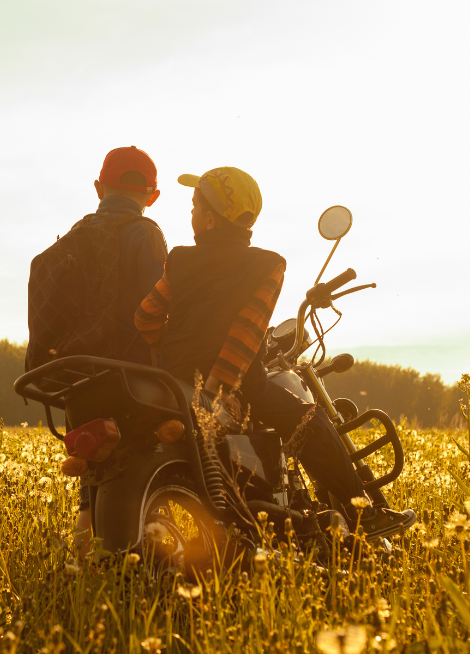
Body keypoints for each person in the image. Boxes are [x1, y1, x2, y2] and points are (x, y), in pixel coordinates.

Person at [134, 166, 416, 539]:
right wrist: (217, 387)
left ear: (211, 218)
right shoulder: (268, 265)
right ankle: (361, 512)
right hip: (233, 385)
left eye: (194, 205)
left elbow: (145, 317)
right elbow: (245, 335)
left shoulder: (181, 258)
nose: (191, 213)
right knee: (311, 421)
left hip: (173, 381)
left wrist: (174, 353)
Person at [32, 146, 168, 553]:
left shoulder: (73, 241)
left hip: (75, 382)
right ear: (152, 196)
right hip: (132, 382)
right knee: (151, 465)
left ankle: (83, 570)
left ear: (97, 188)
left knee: (92, 482)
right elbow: (161, 306)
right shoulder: (147, 234)